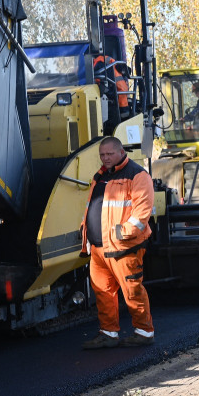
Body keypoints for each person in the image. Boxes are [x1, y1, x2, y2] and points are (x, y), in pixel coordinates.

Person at [79, 136, 155, 348]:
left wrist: (120, 234)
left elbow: (142, 214)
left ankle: (144, 332)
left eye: (109, 154)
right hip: (98, 248)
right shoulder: (100, 176)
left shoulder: (138, 175)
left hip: (124, 248)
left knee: (132, 291)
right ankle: (108, 333)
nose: (105, 158)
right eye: (102, 155)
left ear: (121, 152)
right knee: (103, 293)